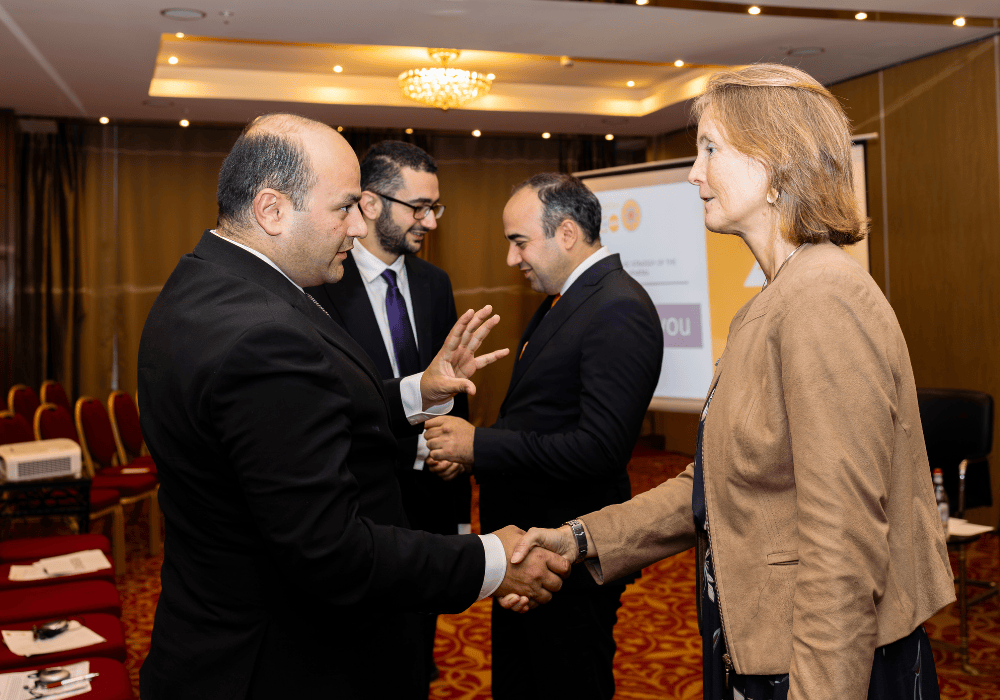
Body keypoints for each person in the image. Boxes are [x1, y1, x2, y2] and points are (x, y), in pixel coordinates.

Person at [507, 64, 956, 700]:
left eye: (709, 149)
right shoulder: (776, 299)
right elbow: (715, 482)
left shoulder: (822, 300)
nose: (694, 174)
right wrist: (581, 538)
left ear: (777, 162)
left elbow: (844, 544)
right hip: (766, 641)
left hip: (822, 666)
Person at [137, 113, 569, 700]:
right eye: (344, 208)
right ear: (272, 210)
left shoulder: (211, 283)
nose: (358, 230)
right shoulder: (261, 334)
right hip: (281, 660)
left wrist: (419, 389)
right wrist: (492, 560)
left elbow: (302, 410)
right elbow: (330, 551)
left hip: (229, 631)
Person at [425, 173, 663, 700]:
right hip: (525, 552)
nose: (512, 260)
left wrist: (478, 445)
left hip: (567, 557)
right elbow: (539, 418)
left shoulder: (618, 307)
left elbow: (599, 450)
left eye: (519, 242)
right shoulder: (570, 298)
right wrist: (471, 456)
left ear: (568, 234)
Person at [306, 140, 472, 687]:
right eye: (418, 207)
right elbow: (330, 397)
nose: (429, 220)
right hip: (360, 493)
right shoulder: (321, 284)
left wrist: (457, 446)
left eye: (435, 207)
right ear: (371, 203)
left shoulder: (434, 282)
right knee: (360, 642)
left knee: (418, 638)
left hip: (432, 487)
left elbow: (450, 377)